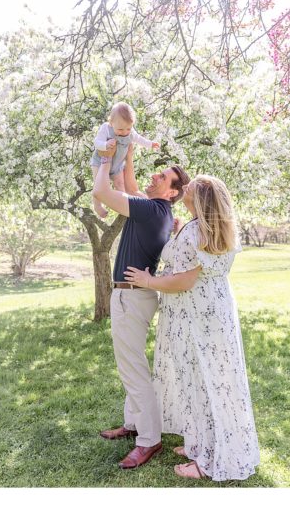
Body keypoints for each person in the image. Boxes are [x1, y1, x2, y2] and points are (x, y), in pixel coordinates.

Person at [124, 174, 259, 481]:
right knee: (203, 380)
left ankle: (208, 460)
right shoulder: (204, 227)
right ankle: (201, 443)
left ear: (201, 198)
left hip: (197, 316)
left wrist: (148, 281)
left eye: (192, 186)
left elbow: (184, 280)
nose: (186, 187)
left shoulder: (197, 230)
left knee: (204, 382)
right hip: (209, 311)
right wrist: (176, 232)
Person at [94, 147, 190, 470]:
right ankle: (133, 423)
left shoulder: (151, 211)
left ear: (173, 191)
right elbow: (131, 188)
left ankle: (150, 439)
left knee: (133, 368)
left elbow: (103, 191)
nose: (155, 175)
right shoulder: (157, 210)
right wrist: (129, 153)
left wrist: (106, 156)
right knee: (132, 363)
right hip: (134, 296)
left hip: (132, 297)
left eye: (162, 176)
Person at [90, 102, 160, 218]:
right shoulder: (106, 129)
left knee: (120, 184)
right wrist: (106, 144)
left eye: (128, 128)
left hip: (117, 165)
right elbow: (97, 142)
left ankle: (123, 204)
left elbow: (139, 139)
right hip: (100, 162)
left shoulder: (130, 132)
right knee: (99, 184)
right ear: (111, 122)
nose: (125, 132)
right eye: (121, 129)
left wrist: (150, 144)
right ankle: (98, 206)